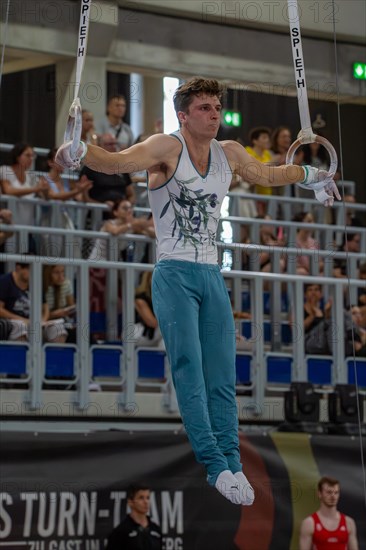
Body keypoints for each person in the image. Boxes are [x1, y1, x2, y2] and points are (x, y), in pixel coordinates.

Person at [57, 77, 339, 505]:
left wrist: (312, 173)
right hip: (174, 274)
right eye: (205, 108)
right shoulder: (166, 148)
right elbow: (118, 162)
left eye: (217, 107)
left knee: (223, 375)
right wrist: (81, 151)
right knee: (189, 368)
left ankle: (233, 462)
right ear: (183, 115)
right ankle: (214, 464)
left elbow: (269, 173)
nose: (215, 114)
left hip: (210, 274)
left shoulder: (230, 153)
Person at [0, 261, 67, 343]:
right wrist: (22, 320)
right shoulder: (5, 281)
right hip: (14, 321)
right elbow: (0, 310)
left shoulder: (35, 281)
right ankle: (21, 355)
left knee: (58, 328)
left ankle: (56, 355)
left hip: (36, 322)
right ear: (18, 268)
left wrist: (42, 321)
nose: (33, 272)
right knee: (20, 327)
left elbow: (45, 307)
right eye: (30, 269)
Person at [299, 476, 358, 550]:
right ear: (319, 494)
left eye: (336, 492)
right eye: (329, 492)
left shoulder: (349, 522)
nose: (333, 496)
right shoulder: (309, 523)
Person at [105, 483, 162, 550]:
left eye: (148, 498)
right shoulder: (121, 532)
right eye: (141, 498)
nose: (146, 502)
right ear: (130, 502)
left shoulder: (156, 529)